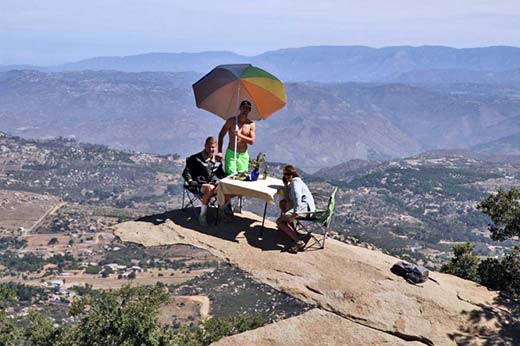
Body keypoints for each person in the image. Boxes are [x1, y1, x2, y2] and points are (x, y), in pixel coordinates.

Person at [217, 100, 256, 213]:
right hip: (231, 153)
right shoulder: (231, 121)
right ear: (240, 108)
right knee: (231, 177)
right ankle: (227, 204)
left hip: (243, 155)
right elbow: (221, 134)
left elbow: (252, 141)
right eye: (243, 107)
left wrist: (239, 135)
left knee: (242, 179)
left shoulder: (251, 124)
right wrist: (219, 151)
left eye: (247, 108)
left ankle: (238, 204)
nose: (245, 109)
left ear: (249, 110)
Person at [182, 136, 226, 226]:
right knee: (210, 188)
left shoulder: (217, 160)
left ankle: (221, 212)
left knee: (224, 187)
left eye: (213, 147)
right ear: (205, 146)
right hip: (198, 185)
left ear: (216, 147)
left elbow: (220, 174)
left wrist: (229, 178)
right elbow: (186, 172)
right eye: (209, 146)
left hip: (213, 184)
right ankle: (202, 216)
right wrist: (190, 181)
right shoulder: (195, 158)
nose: (210, 149)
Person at [276, 165, 316, 253]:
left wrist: (295, 213)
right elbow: (290, 198)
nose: (286, 176)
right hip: (308, 207)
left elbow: (297, 196)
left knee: (279, 221)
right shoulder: (297, 181)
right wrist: (286, 186)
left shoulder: (295, 182)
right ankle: (292, 232)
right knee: (283, 204)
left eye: (287, 174)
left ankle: (298, 241)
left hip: (304, 209)